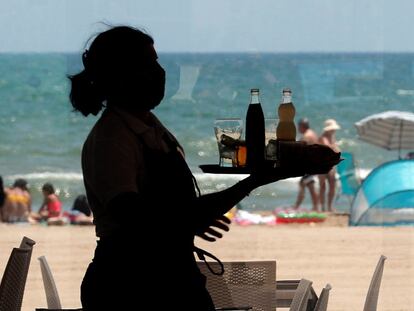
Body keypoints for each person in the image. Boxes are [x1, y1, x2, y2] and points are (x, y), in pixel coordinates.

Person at [69, 25, 336, 310]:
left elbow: (167, 214)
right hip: (130, 286)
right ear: (122, 75)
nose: (160, 71)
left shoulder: (147, 126)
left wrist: (195, 216)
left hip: (168, 278)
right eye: (149, 63)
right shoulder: (112, 138)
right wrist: (198, 215)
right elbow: (138, 220)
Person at [292, 118, 319, 211]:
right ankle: (315, 207)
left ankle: (297, 206)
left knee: (303, 183)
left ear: (302, 126)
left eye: (298, 126)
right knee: (308, 184)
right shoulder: (312, 133)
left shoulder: (306, 136)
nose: (298, 128)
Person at [318, 119, 341, 212]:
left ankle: (329, 206)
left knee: (332, 185)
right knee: (323, 187)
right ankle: (324, 207)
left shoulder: (331, 137)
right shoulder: (323, 137)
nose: (334, 130)